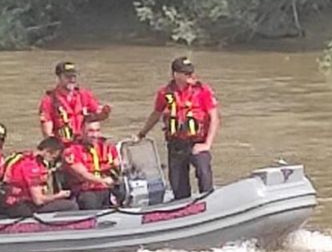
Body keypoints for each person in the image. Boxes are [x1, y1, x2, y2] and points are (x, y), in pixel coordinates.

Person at [136, 57, 220, 200]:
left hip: (197, 142)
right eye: (186, 74)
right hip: (176, 144)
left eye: (191, 73)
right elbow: (156, 114)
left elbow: (214, 118)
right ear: (176, 74)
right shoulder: (165, 93)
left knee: (203, 171)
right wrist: (141, 134)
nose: (191, 76)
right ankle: (182, 208)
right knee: (178, 184)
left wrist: (207, 144)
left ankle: (208, 201)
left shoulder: (202, 91)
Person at [2, 136, 78, 217]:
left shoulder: (23, 157)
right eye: (53, 158)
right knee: (71, 206)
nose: (52, 161)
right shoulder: (32, 166)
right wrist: (59, 195)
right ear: (47, 152)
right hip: (21, 206)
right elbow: (38, 200)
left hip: (11, 202)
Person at [39, 61, 111, 145]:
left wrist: (105, 113)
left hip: (84, 144)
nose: (72, 80)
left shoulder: (84, 95)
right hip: (64, 145)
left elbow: (97, 117)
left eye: (74, 76)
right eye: (68, 77)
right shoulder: (49, 101)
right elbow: (48, 134)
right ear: (59, 77)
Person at [62, 120, 120, 210]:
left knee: (126, 193)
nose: (95, 135)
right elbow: (83, 174)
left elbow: (119, 166)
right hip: (85, 191)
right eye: (91, 131)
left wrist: (121, 167)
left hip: (107, 188)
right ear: (81, 131)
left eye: (97, 131)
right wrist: (102, 181)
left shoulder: (107, 147)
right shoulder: (72, 151)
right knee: (90, 201)